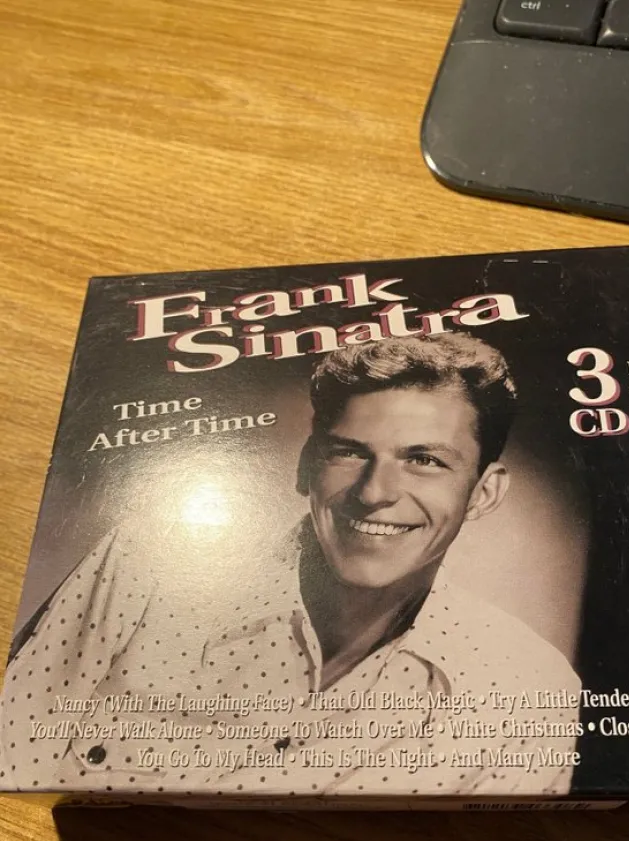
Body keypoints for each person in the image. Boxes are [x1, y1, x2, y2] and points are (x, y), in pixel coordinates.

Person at [0, 333, 581, 799]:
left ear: (483, 493)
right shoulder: (143, 566)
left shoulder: (529, 689)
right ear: (306, 467)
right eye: (348, 452)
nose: (375, 493)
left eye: (424, 460)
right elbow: (13, 758)